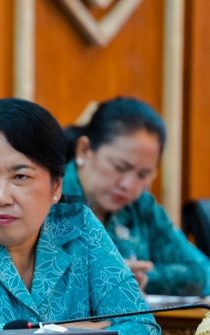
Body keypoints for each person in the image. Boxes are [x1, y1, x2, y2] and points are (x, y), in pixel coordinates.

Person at [0, 98, 160, 335]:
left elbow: (144, 332)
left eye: (20, 176)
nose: (1, 197)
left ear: (55, 186)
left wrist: (5, 333)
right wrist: (71, 333)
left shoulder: (79, 228)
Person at [63, 96, 210, 296]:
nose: (129, 185)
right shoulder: (48, 195)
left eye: (143, 174)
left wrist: (146, 278)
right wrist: (104, 272)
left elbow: (203, 273)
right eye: (120, 167)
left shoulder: (141, 206)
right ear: (84, 150)